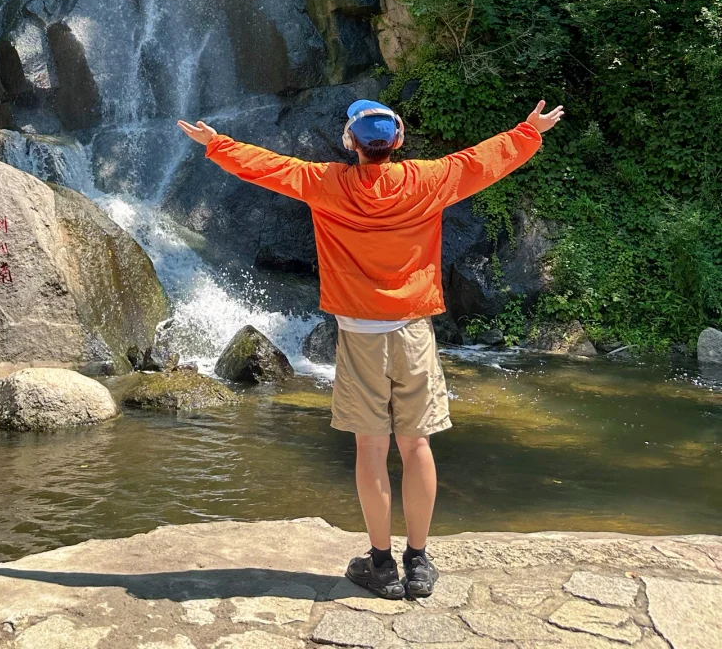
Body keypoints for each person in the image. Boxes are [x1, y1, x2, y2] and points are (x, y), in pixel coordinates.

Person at [178, 96, 563, 601]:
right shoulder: (429, 179)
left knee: (370, 447)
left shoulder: (327, 183)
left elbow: (270, 169)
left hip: (359, 334)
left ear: (350, 143)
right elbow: (484, 161)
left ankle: (380, 565)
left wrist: (217, 145)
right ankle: (419, 563)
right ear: (397, 142)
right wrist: (528, 130)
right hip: (413, 332)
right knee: (417, 444)